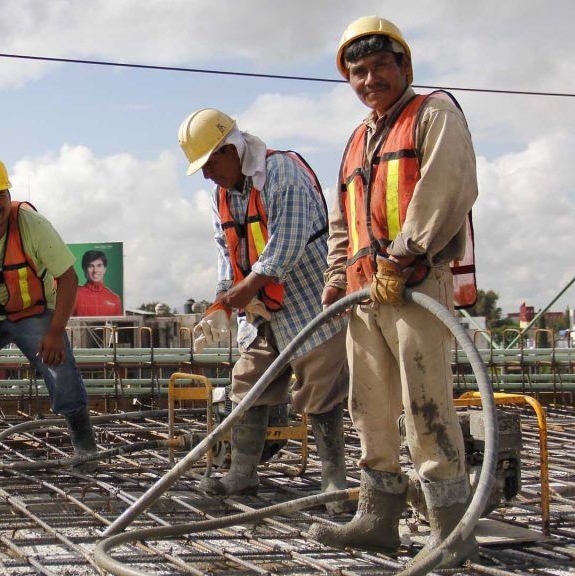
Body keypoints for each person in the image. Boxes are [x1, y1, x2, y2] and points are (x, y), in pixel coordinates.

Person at [307, 17, 479, 568]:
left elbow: (447, 185)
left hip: (415, 284)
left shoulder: (433, 115)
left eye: (381, 66)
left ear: (404, 66)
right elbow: (344, 220)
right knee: (370, 409)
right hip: (364, 294)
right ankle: (378, 520)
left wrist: (405, 254)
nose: (369, 78)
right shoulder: (358, 139)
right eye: (358, 71)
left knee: (425, 407)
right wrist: (337, 277)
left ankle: (450, 533)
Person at [178, 108, 350, 514]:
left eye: (209, 163)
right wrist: (224, 296)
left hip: (307, 301)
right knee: (248, 383)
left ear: (231, 149)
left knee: (321, 389)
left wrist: (244, 289)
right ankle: (243, 472)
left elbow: (286, 245)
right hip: (261, 308)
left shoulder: (281, 174)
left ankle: (334, 482)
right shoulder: (223, 193)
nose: (206, 175)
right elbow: (227, 250)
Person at [0, 154, 98, 473]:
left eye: (0, 195)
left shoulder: (32, 226)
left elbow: (68, 278)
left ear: (9, 196)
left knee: (58, 359)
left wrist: (53, 334)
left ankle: (84, 446)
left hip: (32, 311)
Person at [74, 250, 122, 316]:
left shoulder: (115, 299)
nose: (95, 270)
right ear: (84, 270)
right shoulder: (74, 295)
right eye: (91, 266)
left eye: (99, 266)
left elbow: (117, 326)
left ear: (105, 269)